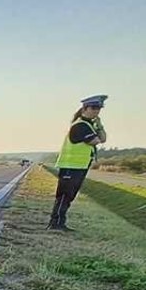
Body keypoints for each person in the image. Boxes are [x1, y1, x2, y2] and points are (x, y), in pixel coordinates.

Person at [49, 94, 108, 231]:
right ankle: (56, 223)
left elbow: (103, 139)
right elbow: (95, 141)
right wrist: (97, 130)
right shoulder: (80, 125)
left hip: (78, 166)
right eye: (93, 108)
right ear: (85, 108)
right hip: (71, 166)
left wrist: (99, 125)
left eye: (99, 108)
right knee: (64, 196)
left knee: (69, 196)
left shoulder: (89, 125)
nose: (96, 111)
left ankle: (60, 223)